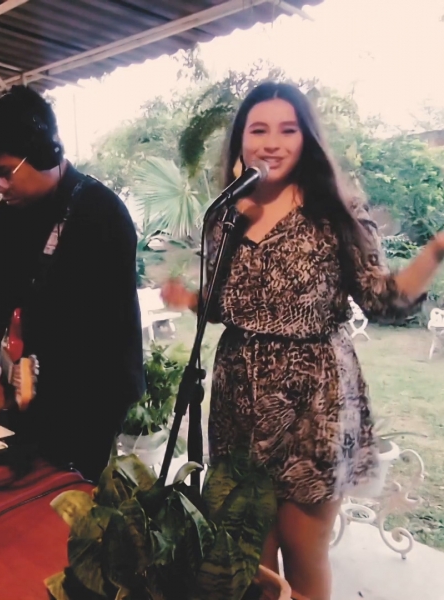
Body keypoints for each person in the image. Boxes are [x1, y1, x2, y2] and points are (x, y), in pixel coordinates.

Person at [161, 81, 444, 599]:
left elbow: (382, 300)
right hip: (237, 399)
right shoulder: (225, 214)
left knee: (303, 551)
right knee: (250, 558)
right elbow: (227, 304)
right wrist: (193, 299)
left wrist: (435, 252)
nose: (271, 142)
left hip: (314, 401)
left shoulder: (335, 208)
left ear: (306, 138)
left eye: (287, 130)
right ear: (240, 141)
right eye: (258, 130)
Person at [0, 85, 144, 482]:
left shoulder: (100, 215)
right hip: (32, 380)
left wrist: (10, 390)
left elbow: (82, 332)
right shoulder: (10, 214)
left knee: (61, 488)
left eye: (4, 172)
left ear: (45, 153)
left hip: (92, 389)